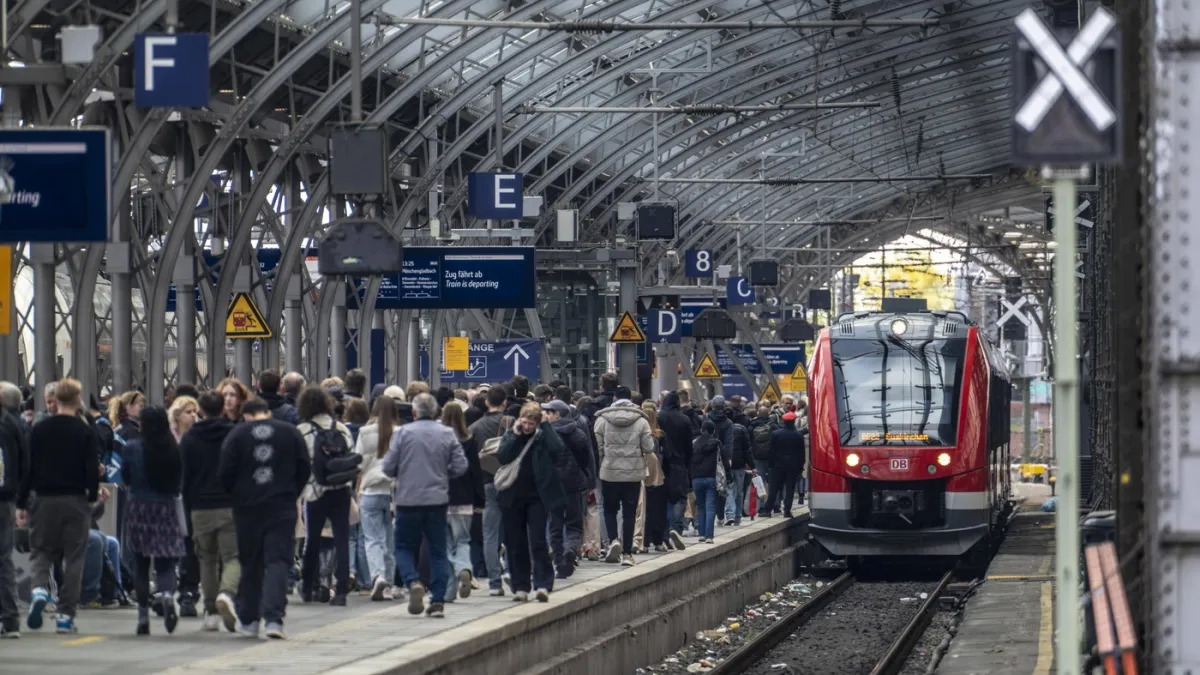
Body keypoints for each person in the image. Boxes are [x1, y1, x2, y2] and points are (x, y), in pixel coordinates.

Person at [219, 397, 311, 639]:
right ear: (267, 413)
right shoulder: (290, 433)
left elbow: (225, 472)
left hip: (247, 507)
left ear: (247, 415)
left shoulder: (237, 434)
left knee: (250, 563)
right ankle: (274, 620)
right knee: (278, 561)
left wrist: (236, 494)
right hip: (281, 506)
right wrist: (292, 491)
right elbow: (304, 467)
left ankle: (249, 619)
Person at [20, 378, 100, 634]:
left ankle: (40, 588)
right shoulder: (85, 431)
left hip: (43, 500)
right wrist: (91, 497)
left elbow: (28, 469)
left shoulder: (39, 429)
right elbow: (91, 471)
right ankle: (66, 615)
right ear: (77, 400)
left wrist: (22, 503)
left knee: (41, 550)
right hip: (75, 500)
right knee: (74, 558)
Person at [383, 393, 467, 618]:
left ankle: (412, 582)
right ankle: (437, 600)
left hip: (407, 500)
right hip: (437, 500)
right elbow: (460, 466)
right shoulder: (447, 434)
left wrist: (404, 473)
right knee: (438, 550)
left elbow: (388, 467)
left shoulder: (402, 433)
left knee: (402, 546)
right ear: (435, 411)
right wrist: (442, 474)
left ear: (413, 412)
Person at [121, 407, 188, 636]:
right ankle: (168, 596)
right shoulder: (173, 449)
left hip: (139, 507)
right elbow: (179, 480)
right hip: (166, 508)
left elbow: (125, 477)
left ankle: (142, 617)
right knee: (165, 562)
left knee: (141, 565)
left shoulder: (132, 448)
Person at [495, 403, 567, 602]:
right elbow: (502, 455)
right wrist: (515, 435)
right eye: (525, 422)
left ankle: (543, 583)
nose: (527, 427)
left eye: (531, 423)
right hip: (512, 497)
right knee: (515, 543)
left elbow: (558, 448)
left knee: (537, 541)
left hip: (538, 496)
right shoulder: (513, 434)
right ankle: (520, 586)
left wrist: (545, 426)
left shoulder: (543, 436)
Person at [180, 391, 239, 632]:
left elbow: (184, 478)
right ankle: (226, 593)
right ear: (223, 408)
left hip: (199, 507)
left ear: (201, 410)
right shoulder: (233, 434)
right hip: (229, 506)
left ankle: (211, 613)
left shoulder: (190, 438)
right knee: (233, 557)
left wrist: (187, 511)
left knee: (206, 559)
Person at [296, 386, 356, 606]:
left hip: (314, 492)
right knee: (342, 539)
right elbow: (351, 456)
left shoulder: (302, 430)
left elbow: (299, 462)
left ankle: (308, 586)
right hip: (340, 490)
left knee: (312, 539)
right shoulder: (340, 428)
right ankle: (340, 590)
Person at [593, 386, 653, 566]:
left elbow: (598, 448)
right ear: (631, 400)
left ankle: (613, 540)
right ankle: (627, 554)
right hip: (633, 475)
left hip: (609, 473)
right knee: (629, 514)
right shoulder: (641, 421)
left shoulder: (602, 420)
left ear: (614, 398)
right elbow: (649, 447)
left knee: (610, 510)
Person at [541, 399, 592, 578]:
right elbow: (585, 459)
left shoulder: (545, 435)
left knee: (555, 526)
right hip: (574, 485)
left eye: (549, 412)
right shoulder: (578, 434)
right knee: (574, 525)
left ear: (558, 414)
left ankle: (559, 561)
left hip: (553, 486)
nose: (545, 415)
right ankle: (570, 549)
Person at [354, 396, 397, 601]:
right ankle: (388, 582)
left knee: (372, 539)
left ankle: (378, 576)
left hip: (369, 492)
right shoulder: (399, 433)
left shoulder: (364, 432)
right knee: (389, 539)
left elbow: (358, 463)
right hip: (392, 493)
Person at [441, 403, 484, 602]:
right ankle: (464, 568)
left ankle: (449, 591)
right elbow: (476, 473)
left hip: (441, 498)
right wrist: (479, 500)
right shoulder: (469, 441)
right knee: (463, 540)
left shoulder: (438, 440)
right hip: (465, 499)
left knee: (446, 544)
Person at [468, 385, 508, 596]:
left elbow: (470, 462)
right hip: (511, 483)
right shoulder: (511, 423)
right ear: (505, 403)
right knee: (515, 531)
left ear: (486, 402)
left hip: (487, 484)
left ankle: (494, 582)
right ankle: (512, 571)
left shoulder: (474, 428)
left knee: (489, 535)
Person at [0, 381, 29, 638]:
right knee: (4, 559)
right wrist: (19, 498)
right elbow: (23, 463)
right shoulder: (12, 423)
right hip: (6, 500)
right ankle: (10, 620)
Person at [656, 392, 692, 547]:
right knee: (680, 497)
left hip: (662, 464)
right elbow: (689, 446)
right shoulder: (684, 419)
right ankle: (676, 527)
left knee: (663, 499)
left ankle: (664, 535)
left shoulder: (659, 417)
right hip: (679, 463)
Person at [690, 420, 728, 544]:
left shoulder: (694, 443)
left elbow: (690, 460)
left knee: (700, 506)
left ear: (701, 430)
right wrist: (729, 477)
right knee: (710, 507)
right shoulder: (716, 444)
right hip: (711, 477)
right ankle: (709, 536)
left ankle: (701, 533)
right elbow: (725, 461)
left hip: (696, 478)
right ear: (713, 432)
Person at [641, 400, 670, 553]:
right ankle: (658, 541)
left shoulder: (640, 435)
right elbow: (666, 457)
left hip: (641, 476)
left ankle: (644, 542)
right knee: (658, 510)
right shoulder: (660, 435)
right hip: (658, 477)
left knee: (643, 510)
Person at [763, 412, 805, 518]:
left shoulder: (776, 434)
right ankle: (787, 511)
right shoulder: (798, 435)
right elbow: (801, 453)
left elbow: (771, 451)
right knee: (790, 489)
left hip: (778, 465)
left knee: (774, 488)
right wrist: (800, 467)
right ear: (794, 421)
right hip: (793, 466)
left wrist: (770, 465)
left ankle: (768, 510)